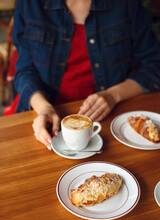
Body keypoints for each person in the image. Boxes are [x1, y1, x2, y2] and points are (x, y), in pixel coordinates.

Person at [12, 0, 160, 150]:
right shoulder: (29, 4)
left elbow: (154, 66)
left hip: (110, 116)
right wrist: (44, 108)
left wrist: (112, 96)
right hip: (45, 113)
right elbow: (24, 70)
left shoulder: (127, 4)